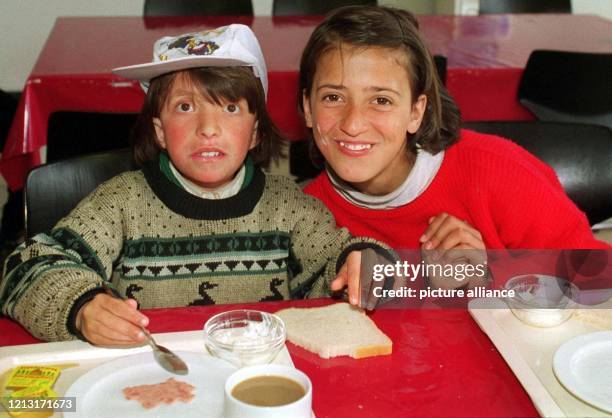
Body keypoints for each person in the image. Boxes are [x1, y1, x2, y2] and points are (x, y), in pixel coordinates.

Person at [0, 24, 391, 346]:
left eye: (230, 107)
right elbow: (24, 267)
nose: (207, 129)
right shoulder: (121, 203)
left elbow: (344, 265)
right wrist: (82, 307)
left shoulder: (289, 207)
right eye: (185, 107)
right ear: (160, 131)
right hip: (149, 381)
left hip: (257, 383)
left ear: (255, 132)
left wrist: (363, 264)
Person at [298, 6, 609, 290]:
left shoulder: (497, 171)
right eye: (333, 98)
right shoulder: (303, 217)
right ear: (308, 109)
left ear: (416, 112)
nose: (353, 124)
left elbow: (600, 276)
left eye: (381, 100)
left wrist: (486, 277)